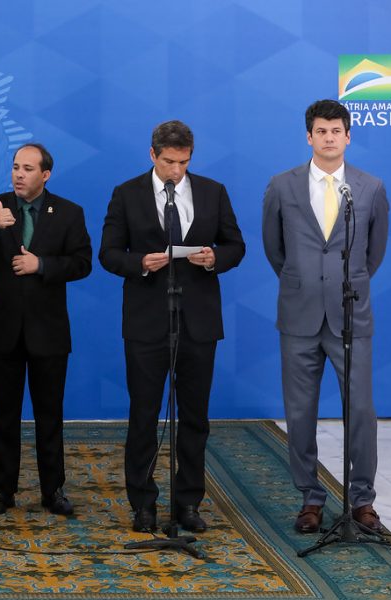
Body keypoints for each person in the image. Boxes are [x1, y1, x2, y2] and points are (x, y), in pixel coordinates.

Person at [99, 121, 244, 533]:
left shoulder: (213, 191)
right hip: (146, 323)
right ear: (152, 155)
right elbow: (108, 253)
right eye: (168, 162)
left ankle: (188, 503)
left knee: (195, 418)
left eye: (183, 162)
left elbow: (236, 245)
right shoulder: (126, 193)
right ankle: (143, 503)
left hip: (198, 323)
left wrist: (215, 258)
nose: (176, 170)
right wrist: (139, 263)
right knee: (144, 415)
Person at [262, 100, 389, 534]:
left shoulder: (370, 188)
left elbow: (373, 255)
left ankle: (362, 501)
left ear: (348, 136)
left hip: (352, 316)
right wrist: (305, 284)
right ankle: (310, 499)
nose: (329, 137)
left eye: (337, 130)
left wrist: (340, 283)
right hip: (298, 316)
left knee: (362, 411)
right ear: (309, 136)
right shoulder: (282, 186)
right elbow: (274, 249)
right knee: (300, 414)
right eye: (321, 130)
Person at [0, 143, 91, 517]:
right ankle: (2, 491)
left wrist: (43, 265)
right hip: (2, 331)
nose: (19, 175)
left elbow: (83, 263)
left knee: (49, 415)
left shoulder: (69, 212)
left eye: (28, 169)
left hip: (48, 332)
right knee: (2, 415)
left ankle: (53, 491)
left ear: (45, 175)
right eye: (16, 167)